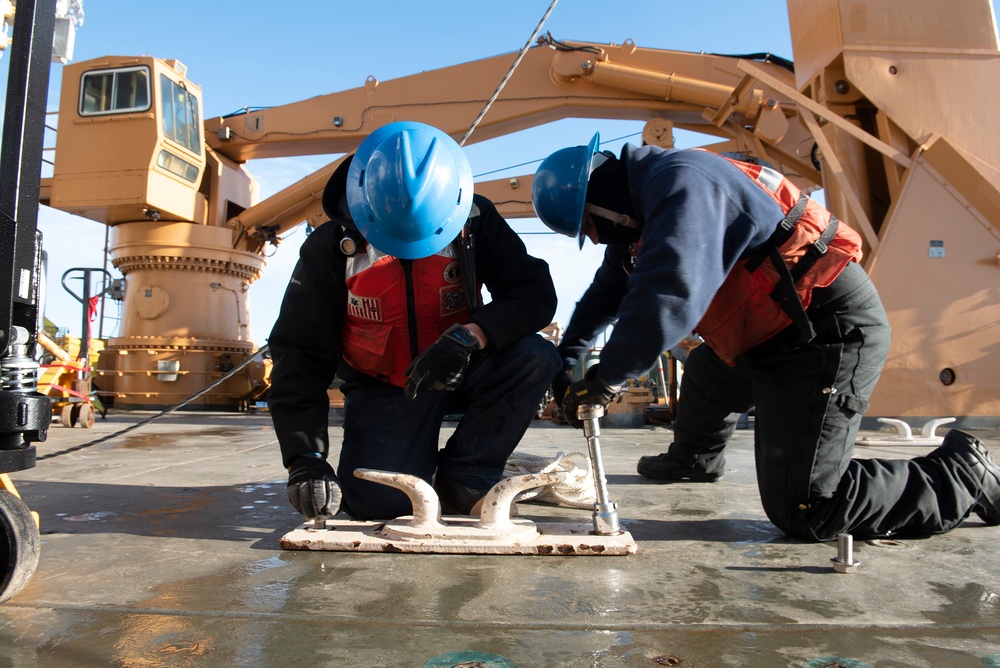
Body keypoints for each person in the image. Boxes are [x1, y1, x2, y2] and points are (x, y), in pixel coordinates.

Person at [531, 133, 1000, 541]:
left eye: (590, 227)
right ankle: (696, 457)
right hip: (764, 336)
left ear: (600, 199)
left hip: (822, 333)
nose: (593, 240)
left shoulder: (684, 182)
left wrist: (607, 377)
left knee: (809, 509)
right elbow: (603, 297)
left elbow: (670, 293)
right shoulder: (641, 215)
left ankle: (959, 476)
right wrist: (563, 363)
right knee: (707, 375)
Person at [268, 121, 560, 521]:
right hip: (386, 386)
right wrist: (305, 457)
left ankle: (467, 474)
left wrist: (473, 337)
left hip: (464, 368)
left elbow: (533, 293)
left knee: (534, 355)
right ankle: (416, 463)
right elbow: (299, 352)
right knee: (381, 505)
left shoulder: (475, 221)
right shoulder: (330, 248)